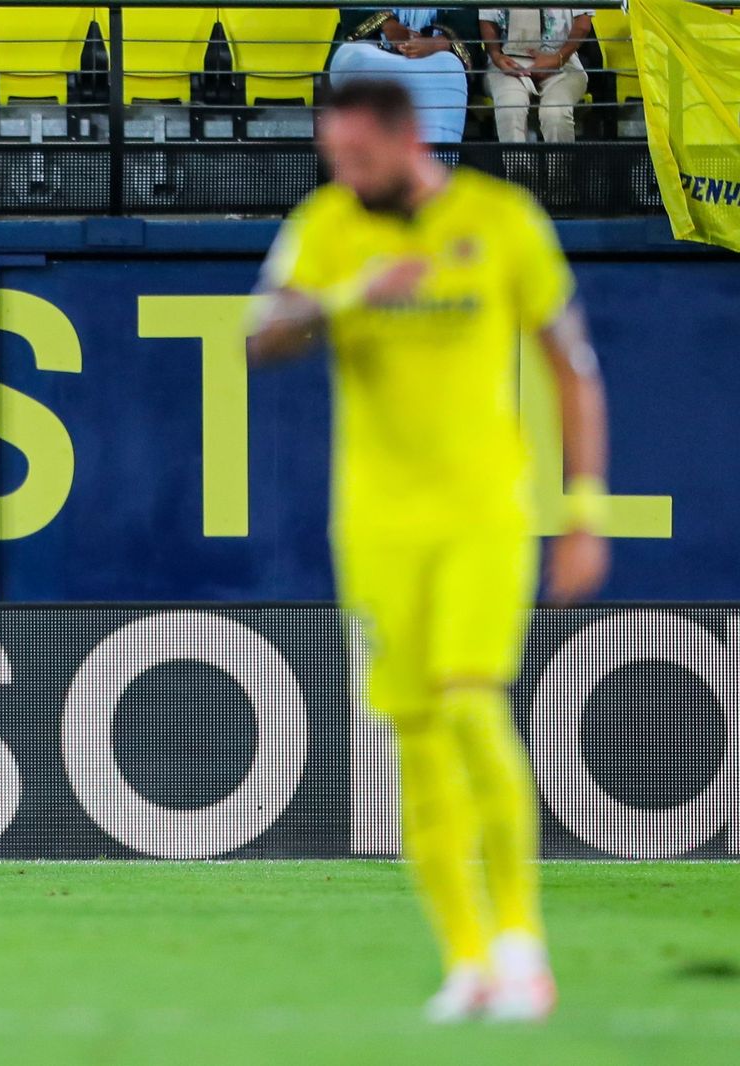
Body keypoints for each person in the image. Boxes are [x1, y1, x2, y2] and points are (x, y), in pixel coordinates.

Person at [247, 79, 610, 1023]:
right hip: (374, 524)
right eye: (336, 157)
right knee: (414, 739)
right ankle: (468, 961)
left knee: (469, 704)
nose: (346, 172)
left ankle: (524, 944)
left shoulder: (502, 219)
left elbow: (573, 365)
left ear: (409, 140)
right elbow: (258, 338)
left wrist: (584, 511)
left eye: (359, 156)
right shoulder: (325, 227)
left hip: (484, 513)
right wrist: (348, 294)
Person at [330, 8, 479, 144]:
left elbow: (466, 24)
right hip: (372, 45)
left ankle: (430, 169)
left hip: (438, 53)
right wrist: (387, 23)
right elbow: (352, 11)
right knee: (356, 56)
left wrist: (437, 43)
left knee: (449, 66)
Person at [479, 8, 592, 143]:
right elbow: (487, 19)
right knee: (510, 108)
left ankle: (560, 164)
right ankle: (517, 164)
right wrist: (496, 56)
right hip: (509, 60)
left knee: (555, 113)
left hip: (563, 59)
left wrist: (558, 59)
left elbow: (583, 23)